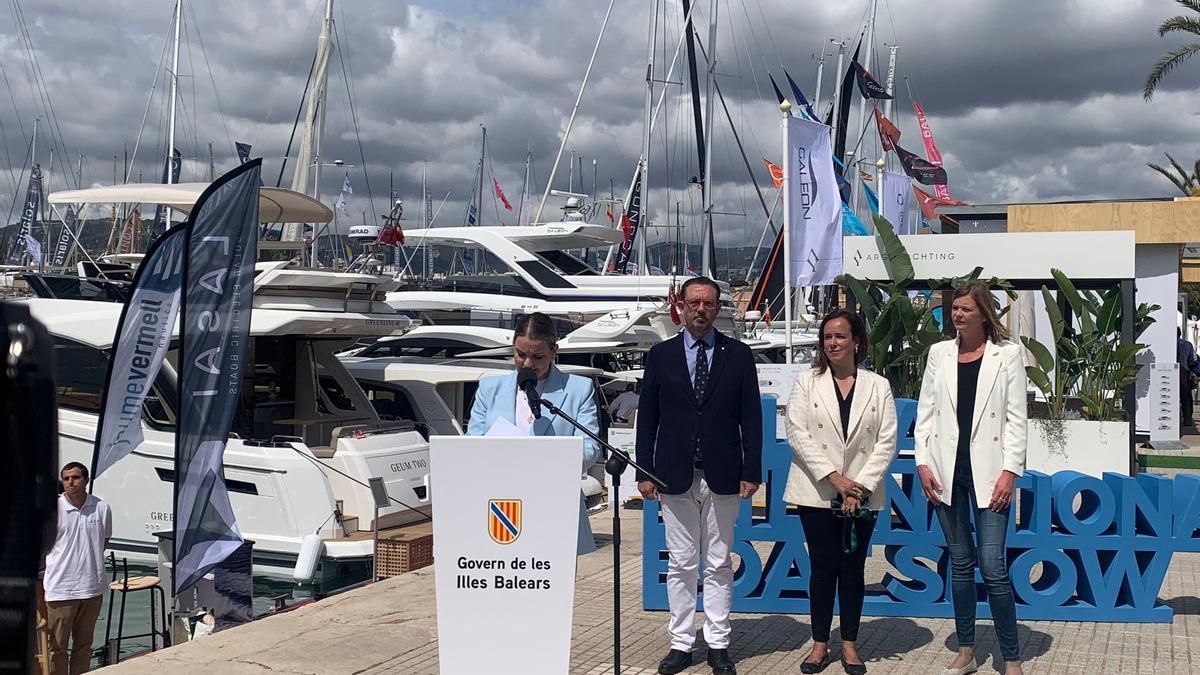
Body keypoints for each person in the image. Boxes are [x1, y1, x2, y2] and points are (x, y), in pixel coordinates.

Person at [635, 277, 762, 675]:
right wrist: (644, 470)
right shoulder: (661, 355)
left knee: (720, 561)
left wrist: (751, 469)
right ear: (682, 306)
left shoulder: (738, 356)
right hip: (673, 475)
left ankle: (719, 642)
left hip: (724, 474)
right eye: (694, 303)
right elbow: (648, 419)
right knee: (681, 563)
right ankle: (681, 642)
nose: (701, 310)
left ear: (718, 307)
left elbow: (751, 419)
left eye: (709, 303)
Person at [915, 281, 1027, 675]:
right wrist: (923, 463)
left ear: (983, 313)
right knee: (960, 563)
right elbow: (925, 413)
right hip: (945, 472)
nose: (957, 315)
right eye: (955, 309)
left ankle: (1011, 657)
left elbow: (1016, 419)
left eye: (965, 309)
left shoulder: (1007, 356)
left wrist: (1010, 472)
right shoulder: (938, 354)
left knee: (993, 565)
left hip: (991, 473)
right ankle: (965, 651)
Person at [783, 308, 897, 675]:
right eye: (828, 336)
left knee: (853, 568)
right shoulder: (807, 382)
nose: (833, 342)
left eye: (840, 336)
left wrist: (857, 487)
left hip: (863, 494)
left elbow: (886, 440)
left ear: (857, 342)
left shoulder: (878, 386)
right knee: (823, 566)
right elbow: (797, 433)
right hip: (817, 490)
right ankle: (819, 644)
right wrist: (836, 479)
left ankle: (849, 644)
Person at [467, 312, 601, 555]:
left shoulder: (578, 389)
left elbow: (591, 448)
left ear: (554, 351)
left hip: (555, 505)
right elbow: (472, 445)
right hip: (501, 508)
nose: (528, 363)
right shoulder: (489, 388)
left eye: (537, 356)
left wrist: (547, 458)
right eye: (520, 354)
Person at [43, 462, 112, 675]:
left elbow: (104, 541)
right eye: (66, 479)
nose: (70, 482)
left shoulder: (101, 507)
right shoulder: (52, 509)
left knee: (84, 646)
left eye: (75, 478)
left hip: (92, 588)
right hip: (60, 589)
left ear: (86, 480)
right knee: (57, 648)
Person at [1178, 328, 1198, 428]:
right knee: (1185, 397)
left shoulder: (1168, 344)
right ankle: (1187, 419)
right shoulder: (1187, 344)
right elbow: (1193, 359)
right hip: (1183, 371)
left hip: (1168, 369)